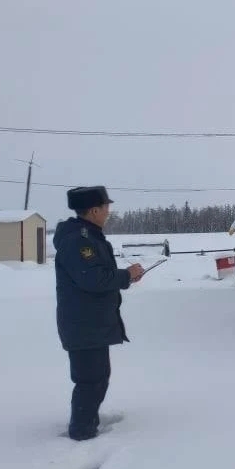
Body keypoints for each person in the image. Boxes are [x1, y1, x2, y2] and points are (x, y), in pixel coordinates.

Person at [53, 186, 144, 440]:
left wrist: (124, 278)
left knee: (97, 378)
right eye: (106, 207)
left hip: (91, 323)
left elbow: (96, 277)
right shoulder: (79, 240)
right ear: (94, 210)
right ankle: (81, 432)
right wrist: (126, 275)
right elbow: (92, 278)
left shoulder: (88, 236)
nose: (108, 212)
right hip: (84, 325)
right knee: (90, 380)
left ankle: (87, 423)